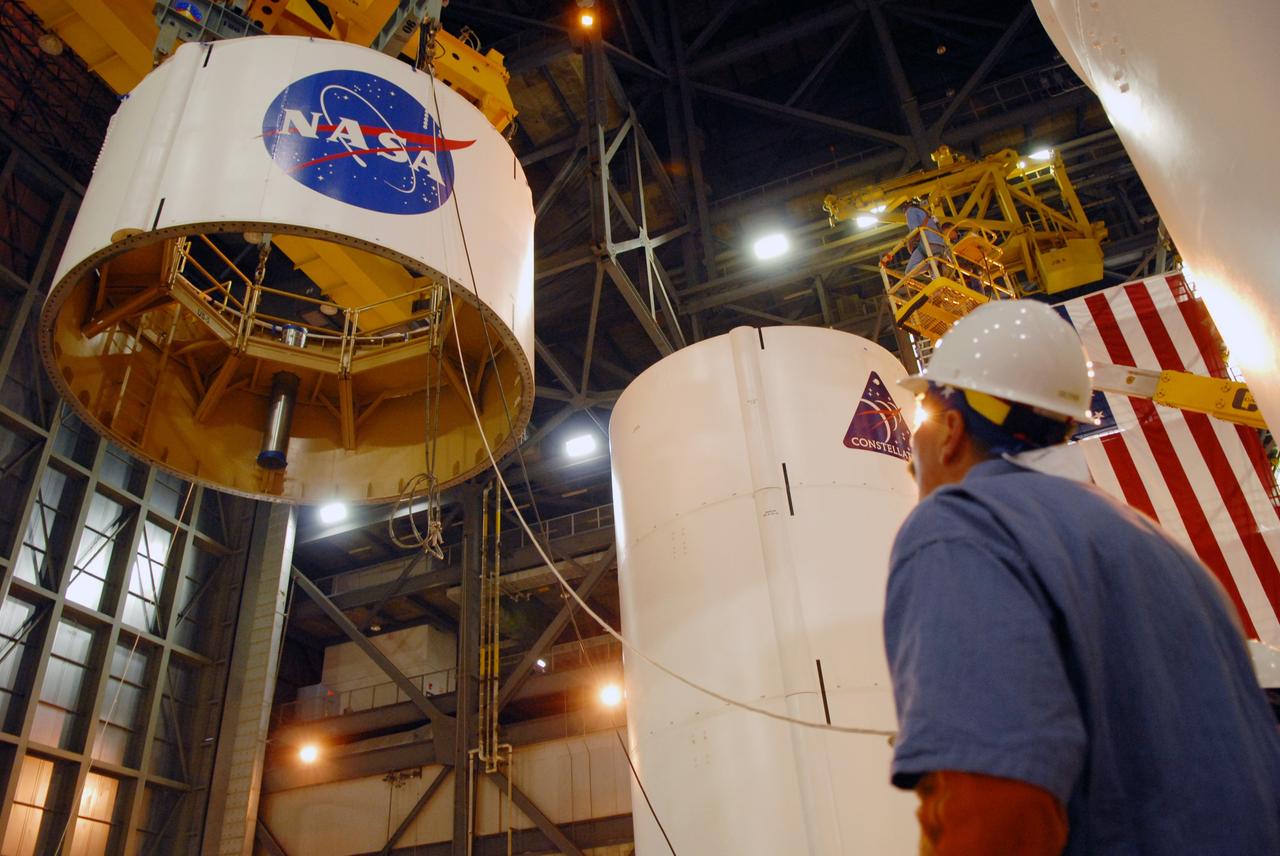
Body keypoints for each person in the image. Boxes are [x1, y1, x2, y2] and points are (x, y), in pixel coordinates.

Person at [884, 299, 1280, 855]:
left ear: (949, 430)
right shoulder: (1172, 557)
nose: (910, 458)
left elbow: (997, 804)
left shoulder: (964, 526)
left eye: (921, 421)